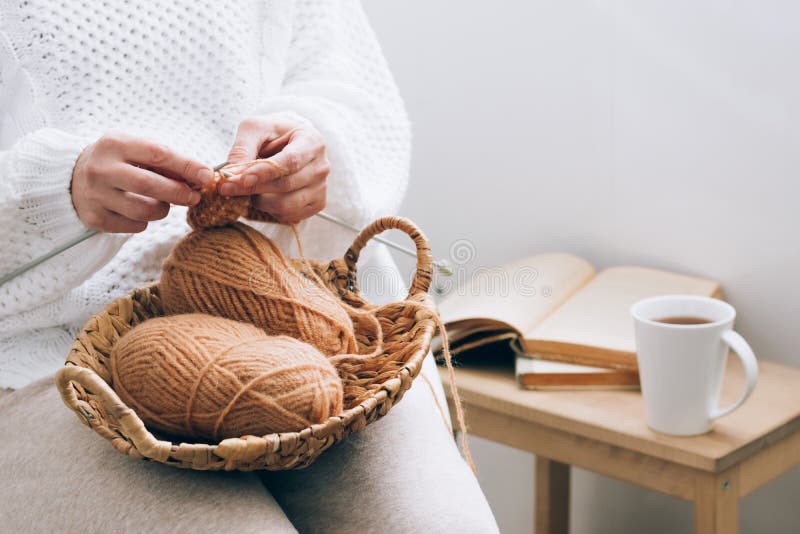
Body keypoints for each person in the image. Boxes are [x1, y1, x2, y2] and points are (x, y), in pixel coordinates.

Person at [0, 0, 499, 532]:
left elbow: (351, 86)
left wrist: (308, 149)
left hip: (298, 322)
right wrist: (51, 192)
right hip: (47, 359)